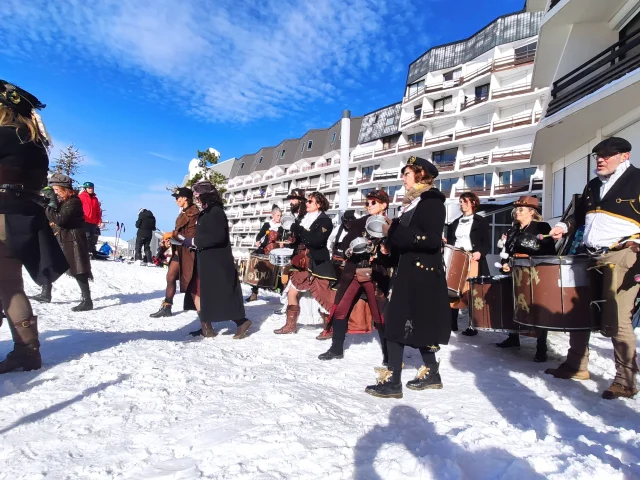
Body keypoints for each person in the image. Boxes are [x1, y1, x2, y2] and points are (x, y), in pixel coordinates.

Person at [547, 137, 640, 400]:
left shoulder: (638, 179)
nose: (600, 159)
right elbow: (578, 216)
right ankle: (577, 365)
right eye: (598, 155)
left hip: (623, 255)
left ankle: (626, 380)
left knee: (618, 318)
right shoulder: (592, 186)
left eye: (607, 155)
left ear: (624, 156)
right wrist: (564, 227)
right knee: (580, 313)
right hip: (589, 256)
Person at [364, 156, 450, 399]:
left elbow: (431, 240)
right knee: (418, 323)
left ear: (421, 176)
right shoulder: (412, 203)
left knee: (393, 323)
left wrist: (393, 230)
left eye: (407, 174)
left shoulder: (431, 201)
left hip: (421, 275)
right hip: (410, 272)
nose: (403, 178)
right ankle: (432, 372)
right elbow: (405, 239)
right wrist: (388, 246)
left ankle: (393, 382)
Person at [0, 80, 69, 373]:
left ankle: (27, 352)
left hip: (1, 214)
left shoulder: (3, 135)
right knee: (10, 285)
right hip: (22, 218)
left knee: (9, 287)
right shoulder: (36, 144)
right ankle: (27, 351)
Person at [318, 189, 391, 361]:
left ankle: (389, 355)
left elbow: (394, 254)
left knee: (379, 315)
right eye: (367, 202)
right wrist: (352, 249)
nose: (369, 205)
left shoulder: (391, 224)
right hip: (354, 272)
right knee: (341, 310)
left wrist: (383, 252)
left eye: (373, 202)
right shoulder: (359, 223)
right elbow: (344, 244)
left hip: (375, 275)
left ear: (384, 205)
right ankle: (336, 349)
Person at [187, 181, 251, 339]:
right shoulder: (207, 212)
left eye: (197, 195)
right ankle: (206, 326)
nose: (195, 198)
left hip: (216, 261)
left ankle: (241, 322)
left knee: (221, 294)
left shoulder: (216, 212)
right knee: (201, 292)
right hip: (207, 259)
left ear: (205, 195)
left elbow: (217, 237)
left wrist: (194, 242)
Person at [495, 196, 555, 362]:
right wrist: (505, 263)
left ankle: (541, 346)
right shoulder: (513, 230)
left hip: (535, 273)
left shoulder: (542, 227)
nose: (517, 212)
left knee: (538, 308)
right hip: (515, 273)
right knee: (513, 304)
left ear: (532, 212)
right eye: (516, 210)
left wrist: (528, 255)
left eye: (521, 209)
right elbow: (506, 251)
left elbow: (549, 251)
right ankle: (513, 338)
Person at [275, 191, 335, 334]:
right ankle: (290, 325)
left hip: (317, 263)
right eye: (307, 201)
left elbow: (315, 240)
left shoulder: (325, 221)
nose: (306, 203)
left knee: (322, 297)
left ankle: (329, 328)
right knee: (291, 292)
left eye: (310, 201)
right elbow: (301, 239)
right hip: (301, 262)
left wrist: (298, 229)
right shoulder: (303, 218)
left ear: (319, 204)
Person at [45, 173, 95, 311]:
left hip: (73, 239)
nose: (55, 193)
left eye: (56, 190)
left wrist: (46, 207)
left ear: (64, 188)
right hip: (66, 238)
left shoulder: (74, 202)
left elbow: (61, 219)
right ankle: (45, 292)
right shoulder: (65, 201)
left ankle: (87, 300)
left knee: (79, 270)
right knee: (51, 263)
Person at [445, 192, 490, 335]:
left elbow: (486, 243)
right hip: (457, 257)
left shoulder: (481, 221)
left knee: (472, 291)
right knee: (453, 289)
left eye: (464, 201)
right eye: (460, 202)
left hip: (473, 257)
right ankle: (452, 322)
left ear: (472, 203)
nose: (461, 204)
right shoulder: (455, 222)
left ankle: (473, 325)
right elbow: (452, 241)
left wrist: (480, 252)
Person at [150, 187, 199, 318]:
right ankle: (167, 306)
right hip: (179, 250)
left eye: (177, 198)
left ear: (185, 198)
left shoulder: (194, 213)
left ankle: (205, 319)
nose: (176, 200)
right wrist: (169, 240)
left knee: (192, 284)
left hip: (189, 253)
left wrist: (172, 234)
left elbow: (191, 234)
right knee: (170, 277)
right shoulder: (183, 213)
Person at [245, 205, 284, 303]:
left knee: (279, 273)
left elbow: (284, 239)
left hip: (276, 251)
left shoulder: (282, 227)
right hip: (265, 250)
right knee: (257, 269)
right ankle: (254, 293)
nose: (279, 217)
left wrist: (282, 243)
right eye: (278, 215)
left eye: (280, 215)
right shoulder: (267, 225)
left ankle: (284, 297)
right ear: (273, 215)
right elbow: (260, 235)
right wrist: (258, 240)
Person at [78, 181, 102, 258]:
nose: (91, 189)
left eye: (92, 188)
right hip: (85, 220)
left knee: (92, 237)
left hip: (93, 221)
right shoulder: (81, 197)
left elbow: (98, 211)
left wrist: (99, 221)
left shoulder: (95, 199)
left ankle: (91, 251)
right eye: (89, 188)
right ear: (85, 189)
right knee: (86, 236)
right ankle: (86, 251)